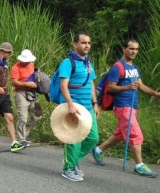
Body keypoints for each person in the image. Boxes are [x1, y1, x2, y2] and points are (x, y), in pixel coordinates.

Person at [92, 39, 160, 178]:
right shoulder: (118, 67)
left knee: (121, 133)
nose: (134, 51)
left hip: (132, 105)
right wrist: (127, 87)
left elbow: (140, 85)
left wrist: (155, 94)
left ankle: (98, 150)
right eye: (131, 48)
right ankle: (139, 166)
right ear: (124, 49)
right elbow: (111, 87)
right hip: (122, 106)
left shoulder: (134, 67)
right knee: (135, 135)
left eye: (136, 49)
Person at [58, 32, 99, 182]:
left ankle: (72, 160)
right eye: (83, 43)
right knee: (74, 139)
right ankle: (68, 169)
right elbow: (63, 85)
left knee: (93, 138)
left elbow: (91, 84)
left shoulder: (88, 63)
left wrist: (95, 103)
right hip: (74, 106)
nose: (87, 45)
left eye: (88, 43)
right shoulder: (68, 63)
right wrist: (70, 104)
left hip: (88, 107)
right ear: (75, 44)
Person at [10, 49, 42, 147]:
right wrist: (26, 83)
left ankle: (25, 132)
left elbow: (34, 75)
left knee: (37, 115)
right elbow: (14, 82)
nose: (27, 62)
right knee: (23, 117)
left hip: (32, 93)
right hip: (21, 93)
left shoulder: (31, 65)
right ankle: (21, 138)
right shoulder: (15, 67)